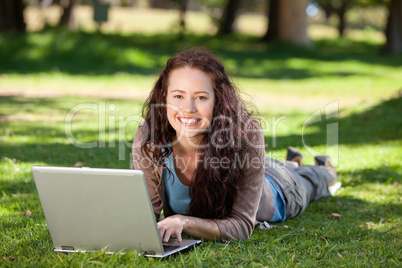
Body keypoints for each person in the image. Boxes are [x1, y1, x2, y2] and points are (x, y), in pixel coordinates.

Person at [131, 48, 341, 243]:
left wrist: (184, 221)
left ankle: (322, 169)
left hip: (280, 188)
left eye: (201, 97)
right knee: (282, 166)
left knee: (312, 179)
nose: (188, 108)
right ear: (164, 98)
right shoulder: (150, 138)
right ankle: (291, 163)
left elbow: (241, 226)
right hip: (259, 169)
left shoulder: (246, 136)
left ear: (218, 100)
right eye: (178, 96)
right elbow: (144, 212)